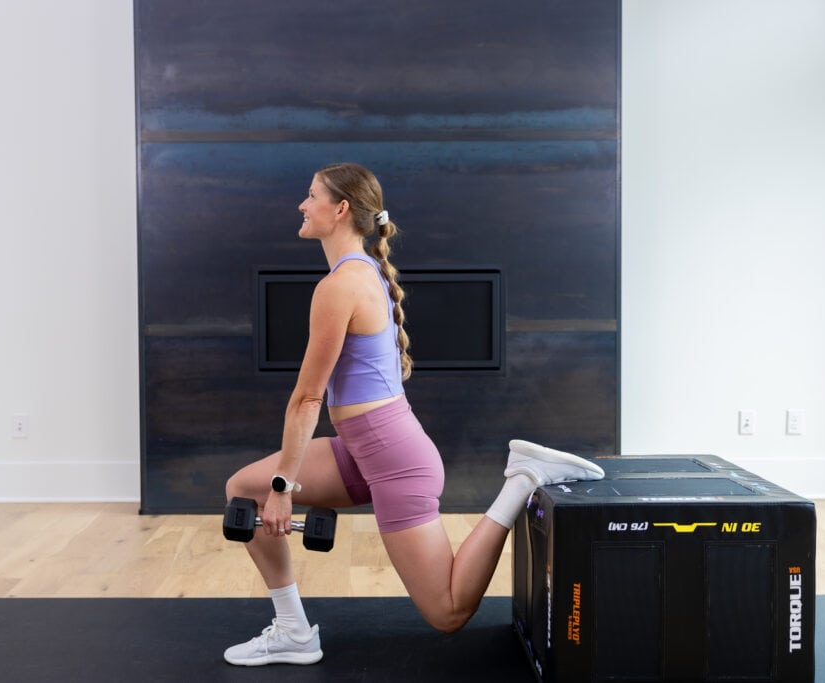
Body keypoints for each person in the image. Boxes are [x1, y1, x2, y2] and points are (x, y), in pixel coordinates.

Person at [223, 162, 604, 666]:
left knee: (447, 611)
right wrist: (273, 486)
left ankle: (522, 478)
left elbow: (307, 400)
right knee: (242, 488)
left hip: (395, 459)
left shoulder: (341, 286)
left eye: (310, 195)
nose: (302, 204)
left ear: (339, 209)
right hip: (363, 449)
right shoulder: (357, 274)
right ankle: (294, 632)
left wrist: (282, 490)